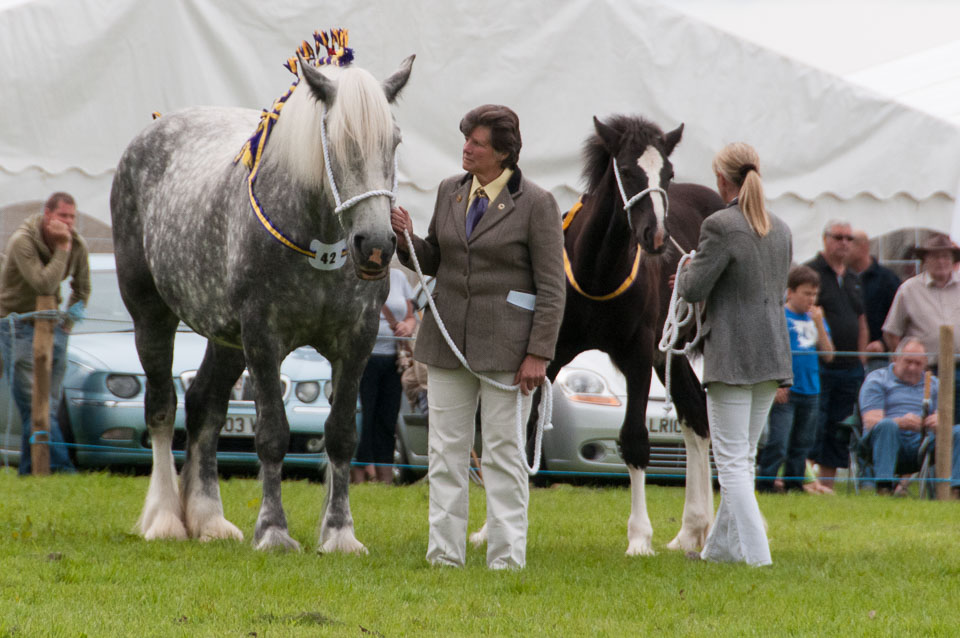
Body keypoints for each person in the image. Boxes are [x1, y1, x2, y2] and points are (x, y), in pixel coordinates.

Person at [390, 104, 565, 570]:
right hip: (446, 344)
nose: (465, 148)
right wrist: (405, 238)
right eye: (465, 139)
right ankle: (444, 556)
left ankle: (506, 560)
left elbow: (552, 287)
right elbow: (434, 259)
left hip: (510, 351)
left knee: (504, 454)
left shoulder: (538, 204)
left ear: (504, 152)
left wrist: (538, 354)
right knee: (444, 453)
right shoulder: (450, 190)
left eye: (477, 143)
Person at [676, 142, 792, 566]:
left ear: (721, 179)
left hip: (731, 353)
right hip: (773, 352)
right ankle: (718, 552)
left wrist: (687, 269)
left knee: (731, 464)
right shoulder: (781, 227)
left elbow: (693, 289)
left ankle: (758, 557)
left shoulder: (720, 225)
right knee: (743, 456)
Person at [0, 192, 90, 475]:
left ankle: (31, 469)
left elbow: (83, 288)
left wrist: (69, 322)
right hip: (16, 327)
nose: (69, 223)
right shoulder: (22, 241)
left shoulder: (78, 244)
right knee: (32, 403)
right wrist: (62, 248)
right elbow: (44, 285)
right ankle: (60, 467)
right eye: (63, 216)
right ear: (48, 215)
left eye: (73, 217)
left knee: (47, 404)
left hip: (53, 327)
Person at [756, 265, 834, 494]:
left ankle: (794, 483)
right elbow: (768, 351)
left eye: (814, 294)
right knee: (778, 440)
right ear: (790, 292)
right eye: (806, 293)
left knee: (803, 443)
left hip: (811, 389)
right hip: (787, 390)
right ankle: (766, 482)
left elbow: (828, 354)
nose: (811, 299)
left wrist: (819, 324)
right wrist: (777, 383)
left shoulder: (816, 319)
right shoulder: (780, 316)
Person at [805, 220, 868, 492]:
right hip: (819, 365)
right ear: (824, 239)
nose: (844, 242)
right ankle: (806, 481)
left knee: (838, 427)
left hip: (850, 368)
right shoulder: (810, 273)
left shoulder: (853, 277)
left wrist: (862, 358)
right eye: (838, 237)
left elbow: (861, 319)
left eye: (848, 238)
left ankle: (827, 484)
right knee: (813, 424)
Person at [859, 338, 960, 498]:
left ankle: (955, 493)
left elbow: (945, 415)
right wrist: (901, 422)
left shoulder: (933, 384)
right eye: (908, 362)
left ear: (926, 363)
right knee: (887, 426)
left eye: (918, 363)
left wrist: (940, 420)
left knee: (957, 431)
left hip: (923, 443)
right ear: (895, 358)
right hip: (885, 442)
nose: (912, 367)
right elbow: (871, 421)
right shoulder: (877, 379)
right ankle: (884, 489)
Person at [882, 233, 960, 422]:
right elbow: (892, 332)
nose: (941, 261)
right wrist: (908, 361)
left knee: (957, 428)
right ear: (924, 260)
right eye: (935, 257)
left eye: (945, 257)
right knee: (929, 423)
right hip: (926, 371)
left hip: (958, 368)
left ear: (953, 260)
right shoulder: (909, 290)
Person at [351, 267, 416, 485]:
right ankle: (360, 478)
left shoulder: (398, 277)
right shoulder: (356, 274)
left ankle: (385, 481)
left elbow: (410, 316)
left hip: (393, 360)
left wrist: (407, 326)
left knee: (388, 420)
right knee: (364, 420)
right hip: (363, 360)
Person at [845, 230, 900, 373]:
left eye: (849, 243)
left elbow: (900, 317)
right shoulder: (841, 278)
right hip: (845, 359)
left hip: (877, 359)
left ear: (864, 247)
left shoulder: (887, 280)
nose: (844, 247)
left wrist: (883, 343)